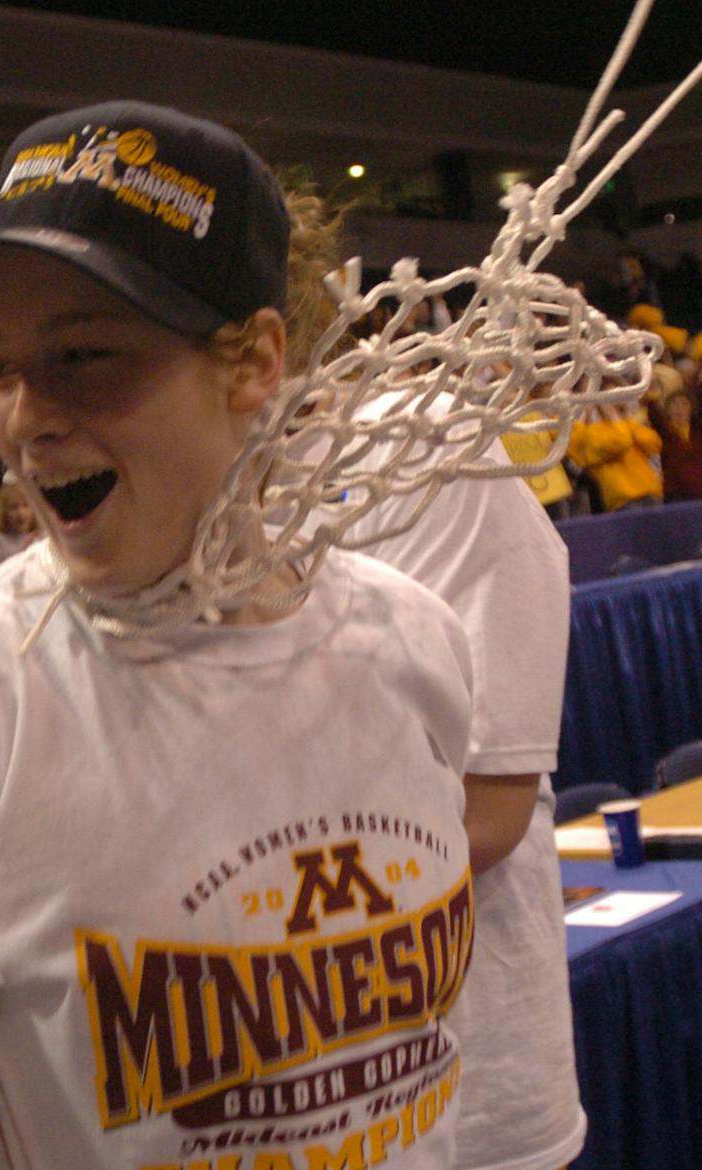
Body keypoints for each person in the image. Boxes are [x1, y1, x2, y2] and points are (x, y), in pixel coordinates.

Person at [0, 101, 476, 1170]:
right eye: (0, 367)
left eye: (84, 354)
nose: (25, 418)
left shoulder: (411, 639)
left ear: (254, 361)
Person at [277, 193, 588, 1170]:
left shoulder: (425, 454)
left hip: (462, 1069)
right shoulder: (165, 513)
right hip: (272, 1081)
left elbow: (486, 817)